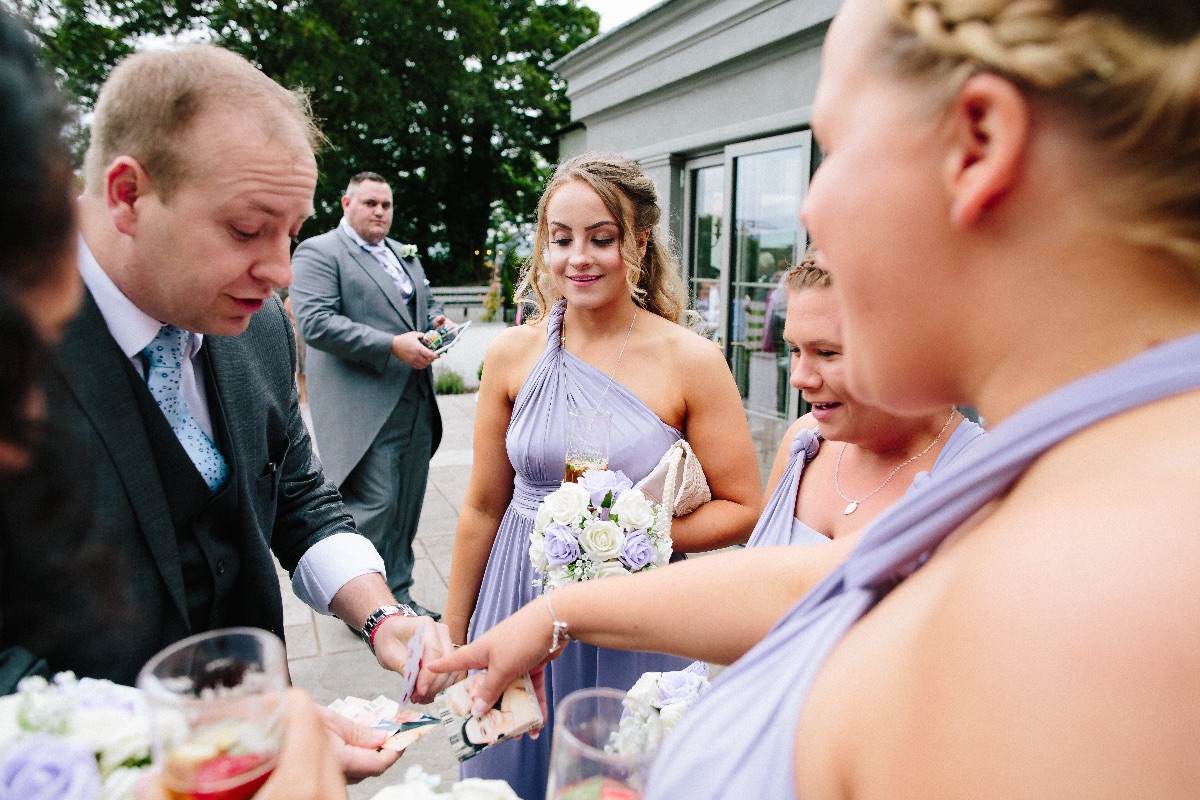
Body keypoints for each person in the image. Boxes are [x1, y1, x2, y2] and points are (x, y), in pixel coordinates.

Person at [434, 0, 1200, 797]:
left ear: (977, 144)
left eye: (832, 147)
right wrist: (557, 614)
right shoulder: (1080, 457)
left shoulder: (1124, 596)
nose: (807, 209)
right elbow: (834, 574)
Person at [0, 43, 457, 704]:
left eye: (292, 233)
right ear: (127, 196)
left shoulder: (262, 324)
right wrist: (187, 736)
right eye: (247, 230)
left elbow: (297, 491)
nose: (281, 273)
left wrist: (382, 618)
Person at [444, 152, 762, 797]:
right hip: (516, 598)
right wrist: (456, 638)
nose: (578, 258)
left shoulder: (690, 360)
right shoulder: (510, 354)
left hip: (636, 613)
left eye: (601, 238)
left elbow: (744, 505)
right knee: (502, 778)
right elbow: (481, 507)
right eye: (561, 239)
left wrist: (640, 533)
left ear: (638, 245)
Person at [291, 172, 451, 619]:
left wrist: (439, 323)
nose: (380, 211)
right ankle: (364, 610)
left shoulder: (403, 254)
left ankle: (399, 593)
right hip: (366, 406)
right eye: (370, 203)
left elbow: (425, 304)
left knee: (406, 505)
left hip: (416, 400)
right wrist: (391, 345)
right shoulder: (320, 252)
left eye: (386, 204)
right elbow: (316, 322)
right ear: (346, 203)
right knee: (374, 507)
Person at [749, 254, 983, 547]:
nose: (798, 378)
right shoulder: (803, 441)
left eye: (826, 352)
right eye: (795, 349)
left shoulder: (979, 479)